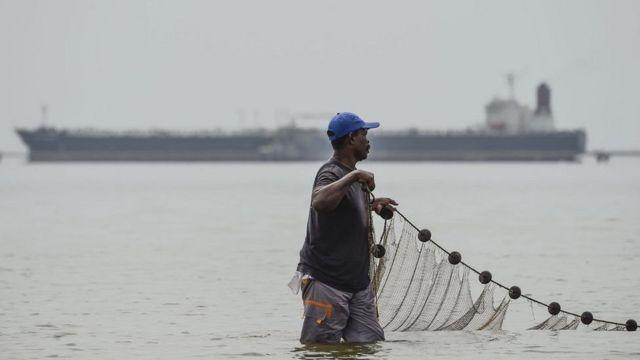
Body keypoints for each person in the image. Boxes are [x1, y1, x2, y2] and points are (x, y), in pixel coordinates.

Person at [293, 112, 398, 344]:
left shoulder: (351, 179)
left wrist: (372, 205)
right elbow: (320, 201)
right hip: (326, 282)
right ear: (351, 139)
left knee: (370, 347)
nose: (368, 141)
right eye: (364, 135)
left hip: (357, 285)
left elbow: (342, 209)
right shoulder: (331, 172)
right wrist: (355, 176)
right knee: (319, 350)